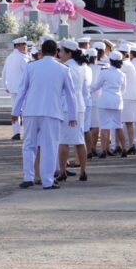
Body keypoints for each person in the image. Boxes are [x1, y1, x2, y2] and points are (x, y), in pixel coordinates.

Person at [12, 39, 77, 190]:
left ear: (41, 51)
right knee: (49, 146)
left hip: (31, 111)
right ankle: (47, 180)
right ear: (56, 52)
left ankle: (28, 177)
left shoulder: (31, 67)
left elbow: (22, 90)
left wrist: (15, 111)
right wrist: (73, 115)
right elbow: (70, 95)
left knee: (29, 145)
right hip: (52, 112)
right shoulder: (63, 69)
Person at [55, 40, 89, 183]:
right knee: (79, 141)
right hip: (80, 106)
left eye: (61, 51)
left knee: (63, 141)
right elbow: (85, 89)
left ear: (68, 53)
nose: (59, 53)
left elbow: (59, 89)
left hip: (67, 107)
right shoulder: (82, 67)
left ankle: (62, 171)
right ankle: (83, 171)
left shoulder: (66, 67)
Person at [2, 37, 30, 140]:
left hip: (12, 88)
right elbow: (28, 73)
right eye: (24, 45)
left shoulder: (9, 57)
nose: (25, 47)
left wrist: (5, 85)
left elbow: (4, 72)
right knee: (25, 111)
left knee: (15, 110)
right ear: (18, 46)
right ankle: (26, 132)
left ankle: (16, 132)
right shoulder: (23, 58)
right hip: (23, 89)